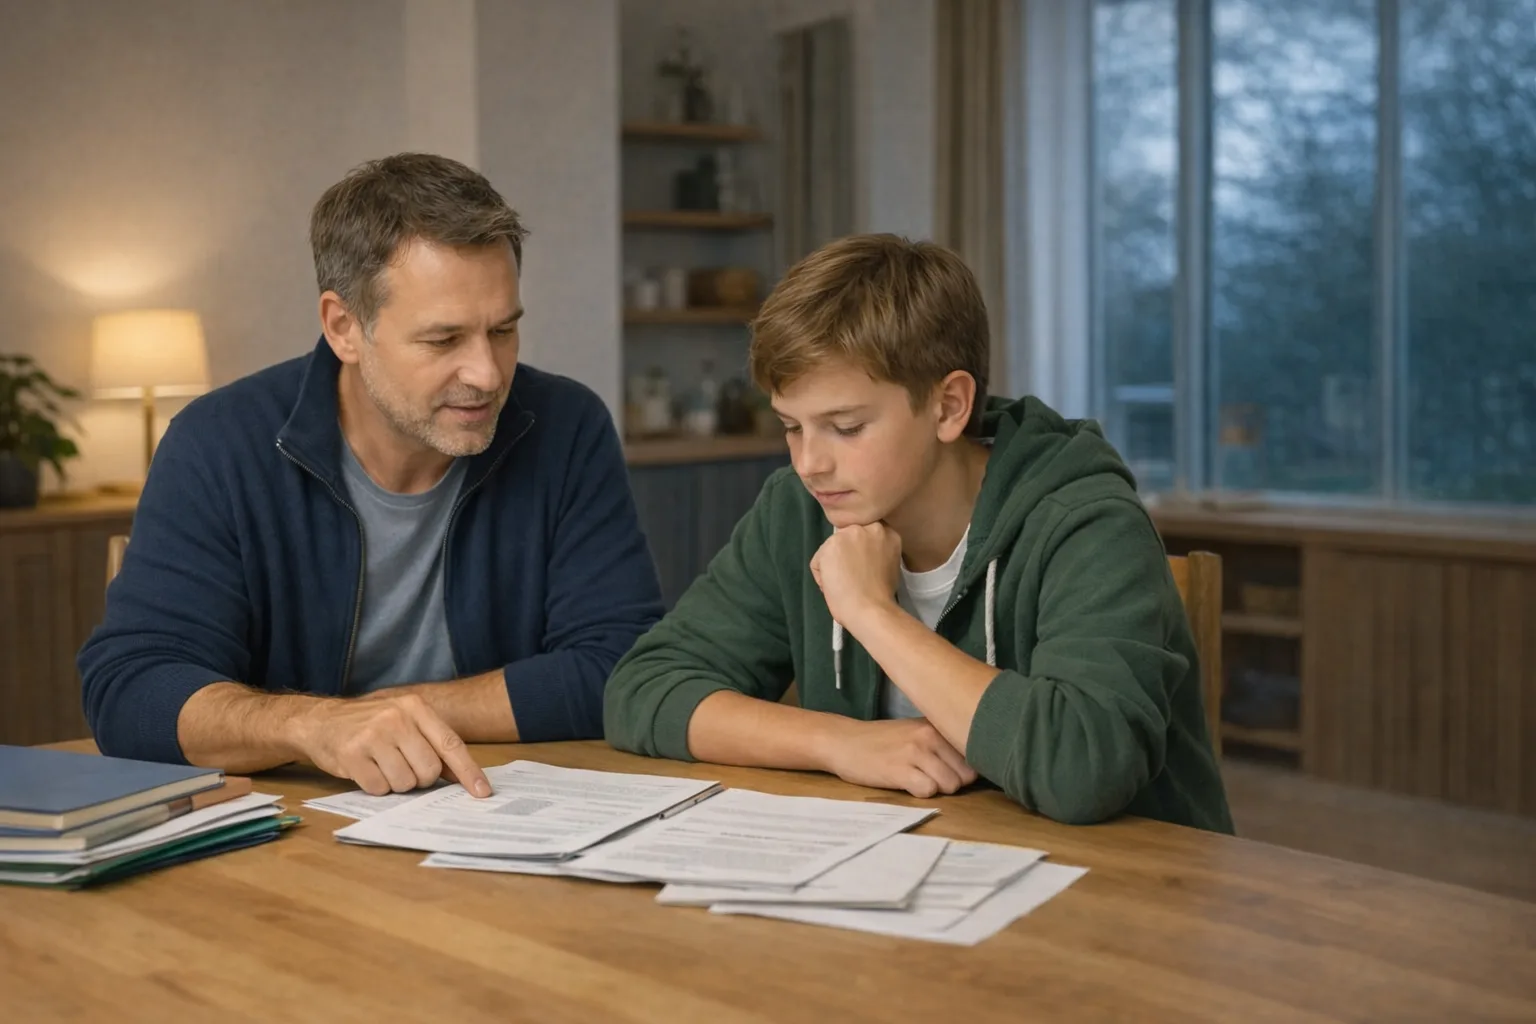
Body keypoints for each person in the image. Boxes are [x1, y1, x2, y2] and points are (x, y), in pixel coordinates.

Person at [80, 153, 664, 798]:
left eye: (502, 330)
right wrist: (313, 725)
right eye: (443, 340)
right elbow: (131, 691)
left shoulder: (567, 426)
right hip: (293, 818)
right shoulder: (217, 444)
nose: (487, 374)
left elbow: (624, 663)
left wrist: (396, 713)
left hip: (498, 807)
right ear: (345, 328)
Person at [604, 233, 1232, 831]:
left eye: (846, 427)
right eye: (792, 427)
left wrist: (870, 611)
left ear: (949, 406)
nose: (809, 463)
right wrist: (840, 743)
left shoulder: (1085, 520)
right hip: (911, 864)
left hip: (1127, 887)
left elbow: (1083, 767)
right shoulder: (798, 510)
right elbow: (643, 689)